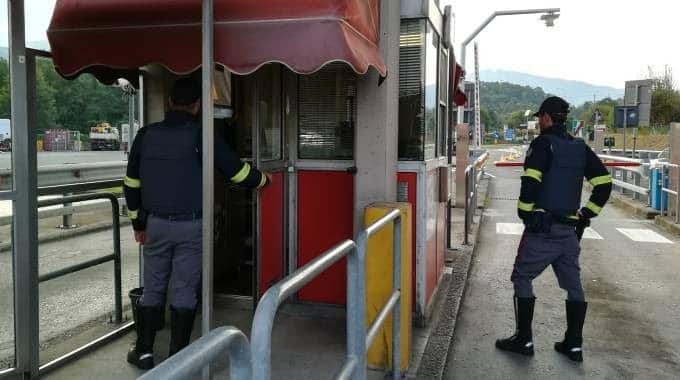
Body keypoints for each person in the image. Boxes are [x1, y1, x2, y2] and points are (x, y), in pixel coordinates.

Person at [123, 78, 270, 370]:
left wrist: (138, 223)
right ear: (198, 105)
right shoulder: (202, 136)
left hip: (155, 225)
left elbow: (131, 184)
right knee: (184, 290)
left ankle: (144, 351)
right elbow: (237, 173)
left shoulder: (145, 135)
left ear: (169, 102)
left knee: (153, 288)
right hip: (191, 227)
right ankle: (179, 355)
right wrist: (264, 179)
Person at [495, 96, 612, 362]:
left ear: (547, 117)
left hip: (543, 230)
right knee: (574, 286)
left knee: (522, 277)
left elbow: (531, 182)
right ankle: (574, 344)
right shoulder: (580, 147)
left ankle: (524, 339)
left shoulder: (542, 144)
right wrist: (585, 215)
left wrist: (525, 214)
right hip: (569, 232)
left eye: (540, 117)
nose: (538, 122)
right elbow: (604, 184)